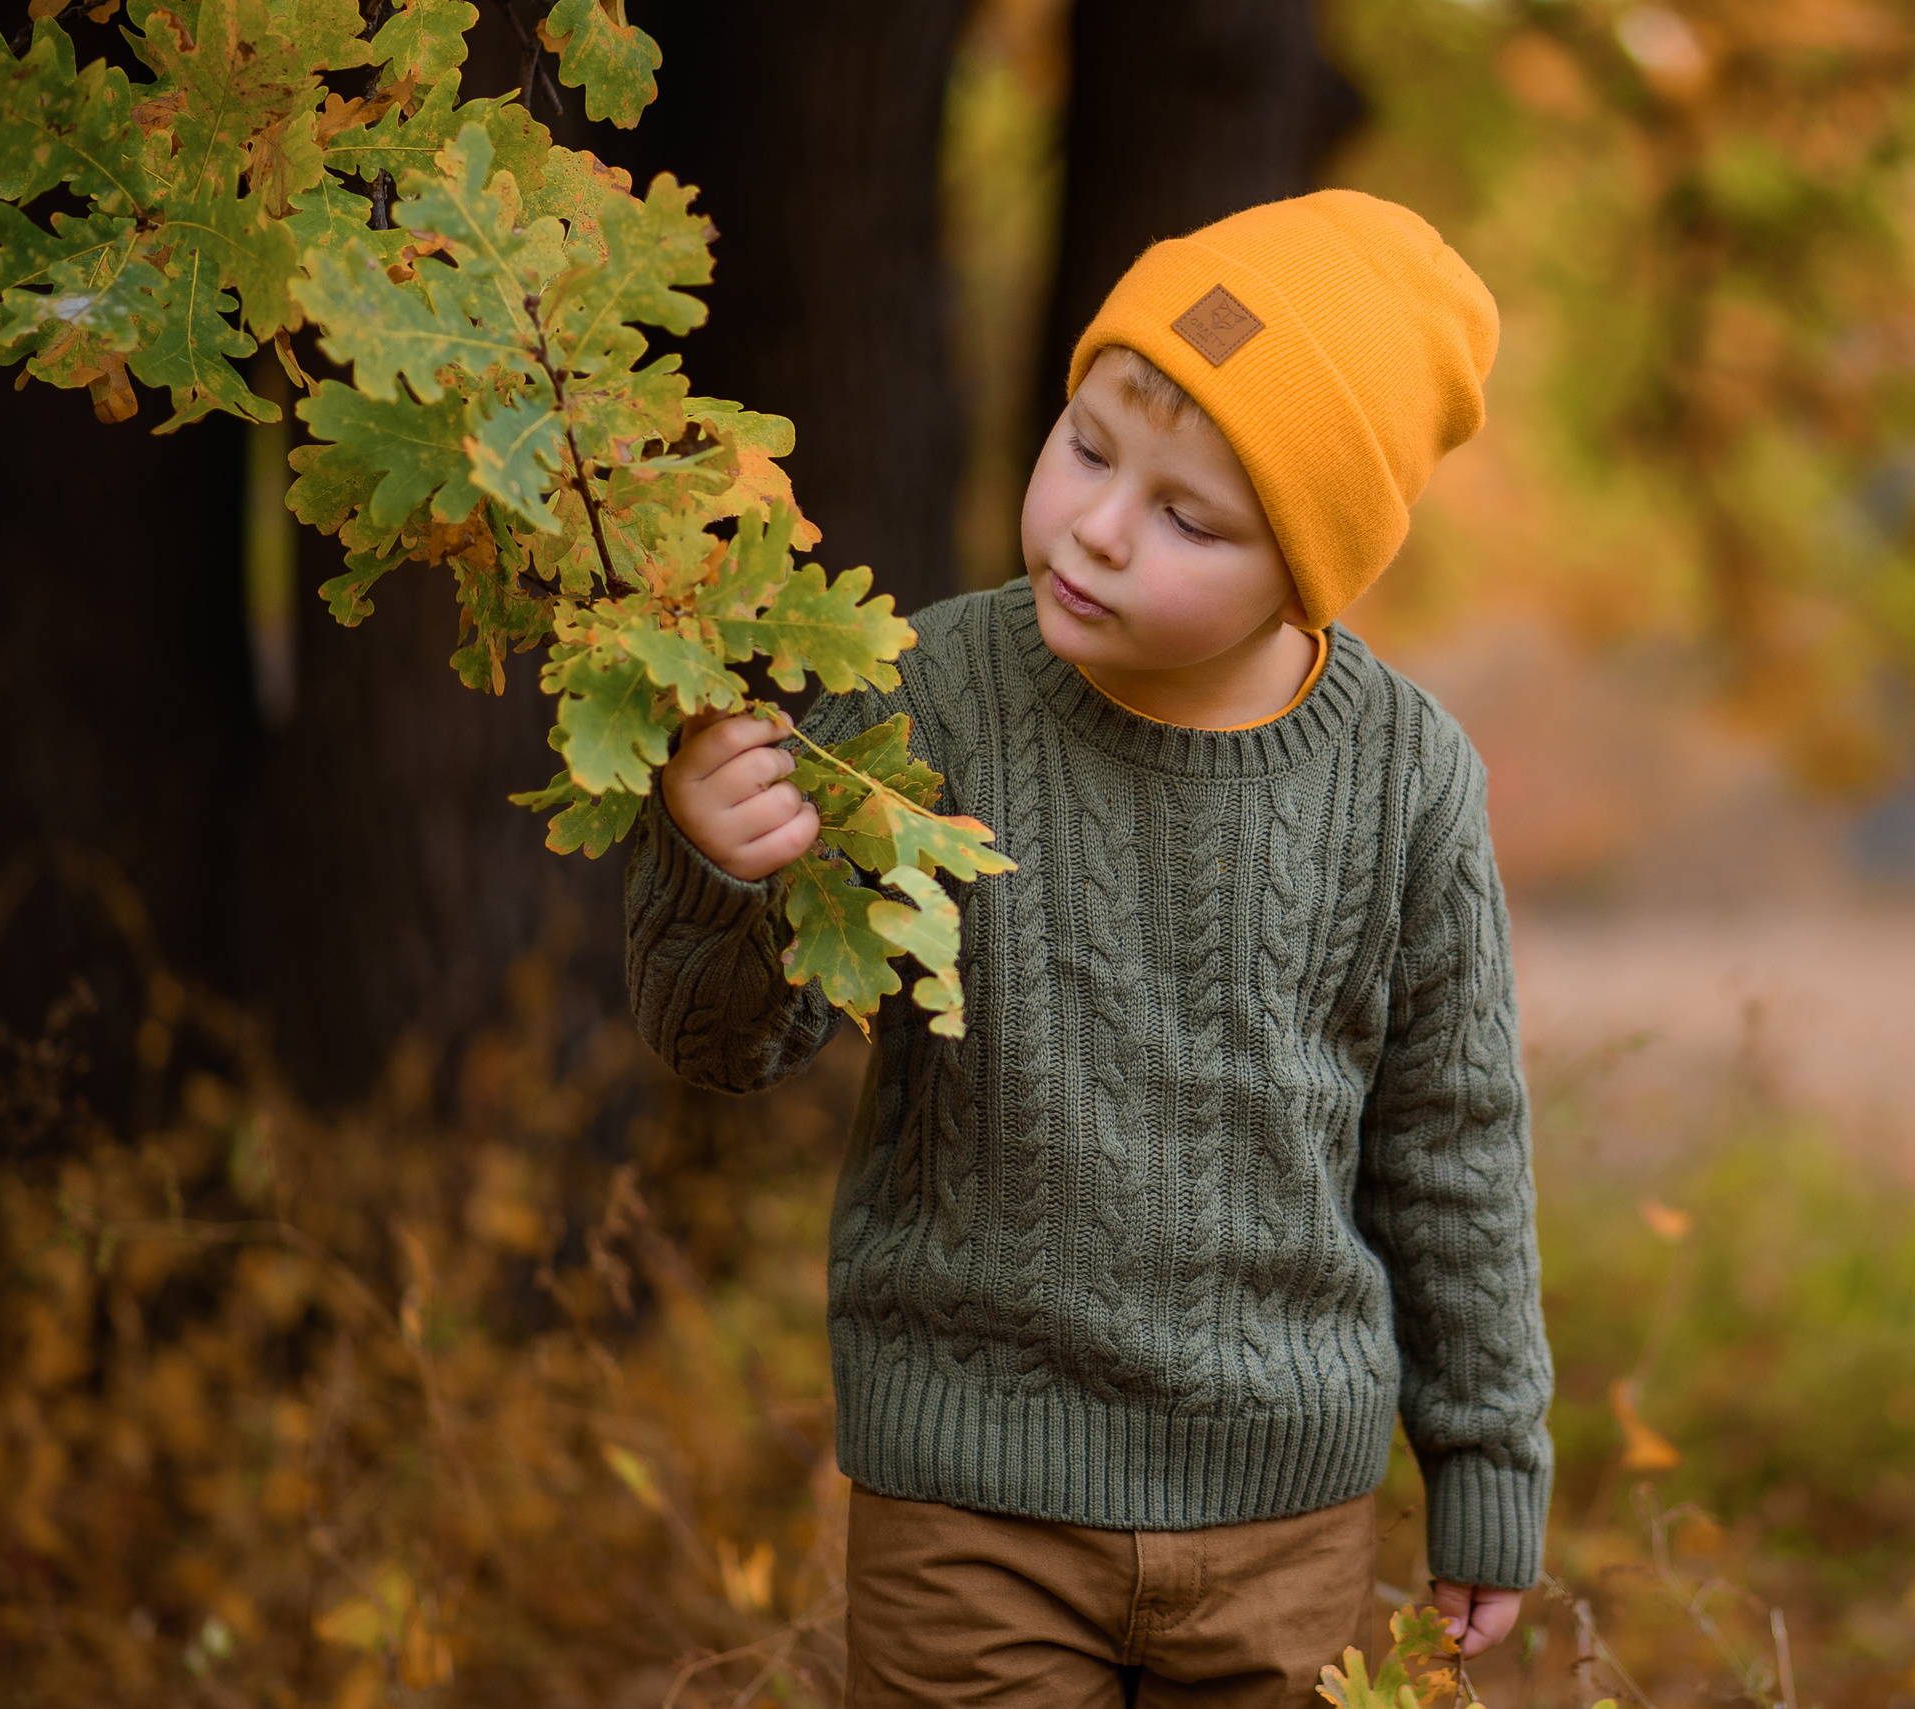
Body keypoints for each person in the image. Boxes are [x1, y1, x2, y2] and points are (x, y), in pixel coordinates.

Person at [625, 189, 1551, 1707]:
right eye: (1087, 444)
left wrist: (1486, 1454)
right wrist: (719, 868)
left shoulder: (1403, 778)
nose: (1099, 527)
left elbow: (1452, 1141)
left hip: (1285, 1515)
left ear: (1305, 571)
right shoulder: (923, 703)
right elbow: (729, 1043)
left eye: (1190, 517)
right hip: (968, 1505)